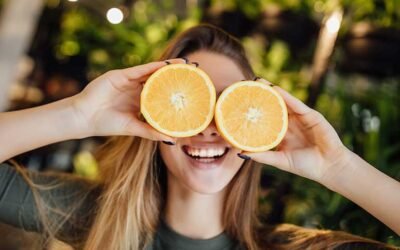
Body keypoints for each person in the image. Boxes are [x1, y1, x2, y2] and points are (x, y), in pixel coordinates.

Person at [0, 24, 399, 250]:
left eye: (228, 105)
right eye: (190, 102)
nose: (209, 127)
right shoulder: (96, 216)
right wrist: (78, 115)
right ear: (152, 116)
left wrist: (340, 168)